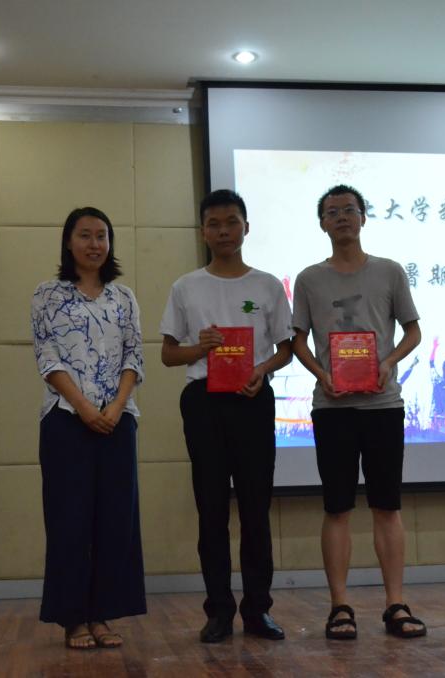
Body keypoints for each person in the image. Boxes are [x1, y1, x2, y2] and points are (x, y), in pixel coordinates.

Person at [291, 184, 426, 640]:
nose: (342, 217)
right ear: (322, 224)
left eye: (350, 210)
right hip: (333, 407)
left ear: (364, 218)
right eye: (332, 212)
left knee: (387, 506)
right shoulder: (309, 279)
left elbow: (412, 332)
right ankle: (340, 606)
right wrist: (320, 373)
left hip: (383, 405)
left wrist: (388, 362)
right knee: (337, 508)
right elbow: (296, 340)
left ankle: (396, 604)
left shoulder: (389, 272)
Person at [160, 189, 293, 643]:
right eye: (214, 224)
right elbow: (168, 354)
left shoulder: (268, 285)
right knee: (211, 510)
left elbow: (286, 349)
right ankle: (218, 611)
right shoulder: (186, 286)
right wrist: (200, 348)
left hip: (253, 399)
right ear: (202, 232)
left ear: (246, 227)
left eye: (232, 222)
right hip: (204, 403)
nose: (224, 231)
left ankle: (258, 611)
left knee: (256, 510)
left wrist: (261, 369)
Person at [31, 207, 146, 650]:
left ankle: (102, 615)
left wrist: (115, 407)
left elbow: (135, 356)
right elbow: (47, 358)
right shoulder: (47, 294)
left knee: (116, 520)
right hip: (65, 419)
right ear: (68, 241)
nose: (94, 244)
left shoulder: (124, 297)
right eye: (85, 235)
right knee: (69, 520)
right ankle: (73, 619)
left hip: (118, 420)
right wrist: (83, 408)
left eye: (102, 235)